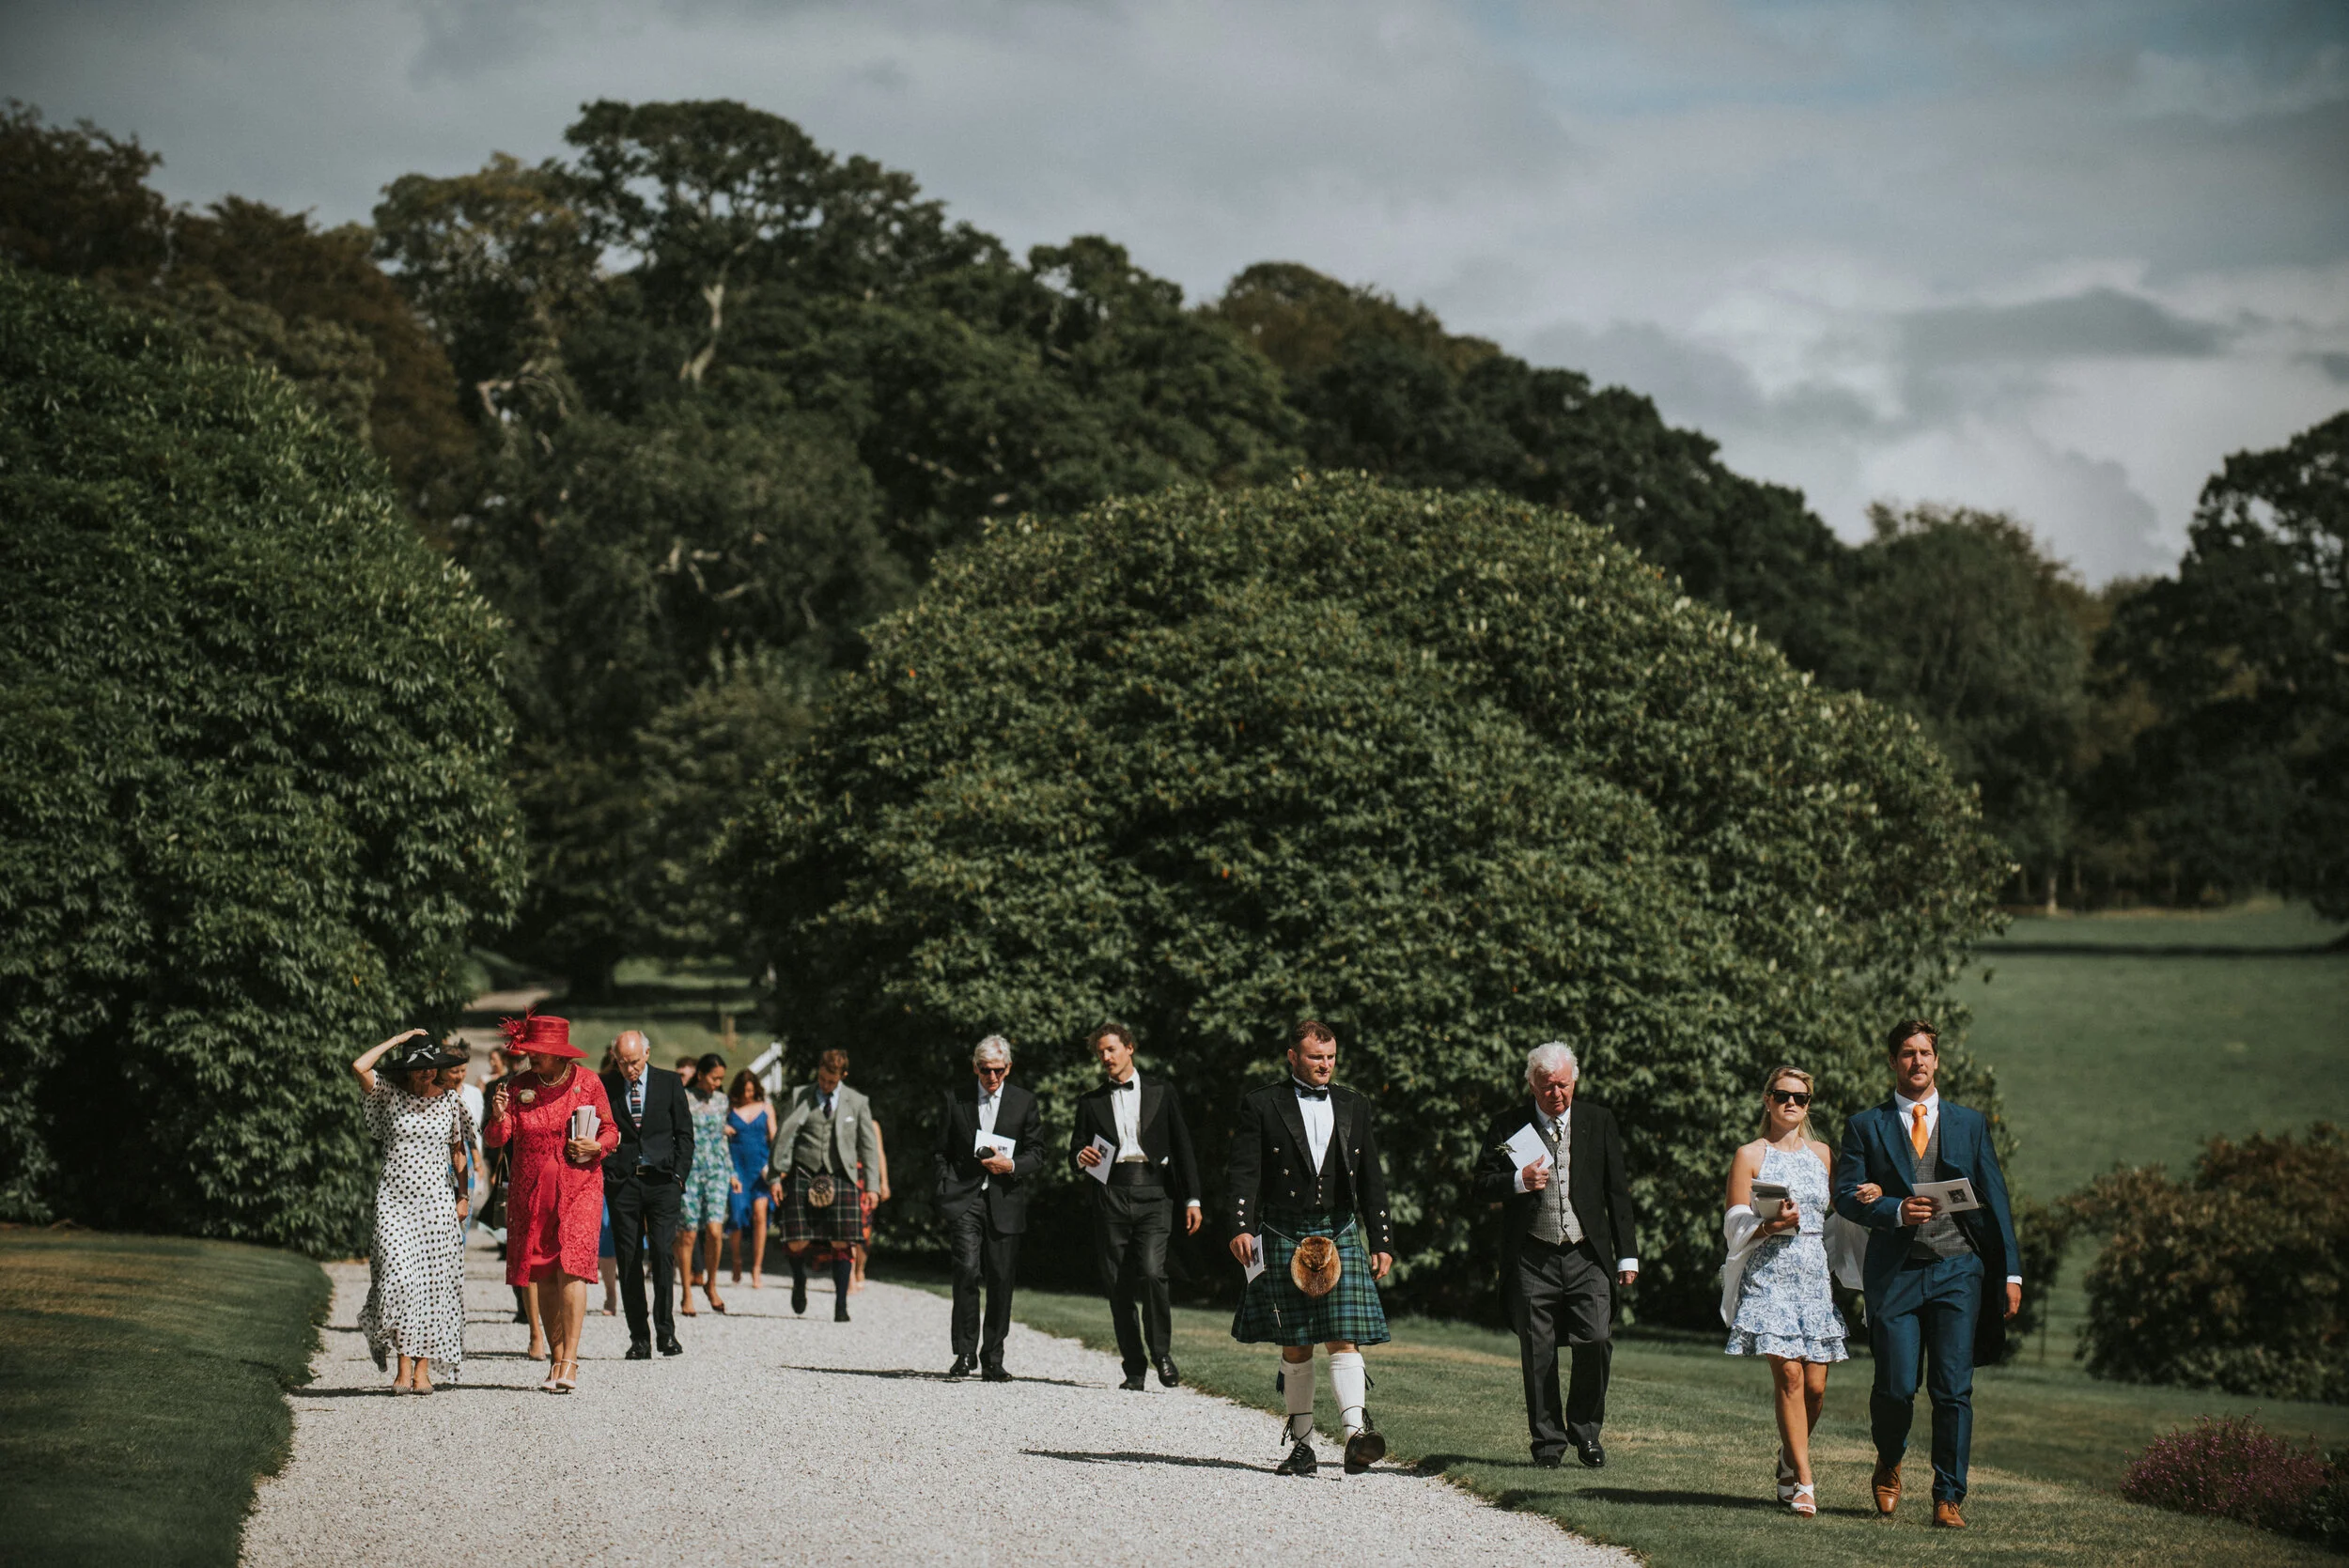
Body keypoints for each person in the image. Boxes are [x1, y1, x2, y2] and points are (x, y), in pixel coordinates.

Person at [1833, 1018, 2023, 1530]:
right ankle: (1890, 1458)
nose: (1918, 1062)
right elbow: (1845, 1194)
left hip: (1958, 1269)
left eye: (1926, 1053)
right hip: (1895, 1274)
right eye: (1908, 1054)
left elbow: (1996, 1200)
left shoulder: (1970, 1123)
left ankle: (1948, 1496)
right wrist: (1894, 1209)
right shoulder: (1865, 1125)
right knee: (1895, 1386)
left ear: (1937, 1061)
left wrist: (2012, 1274)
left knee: (1952, 1389)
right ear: (1894, 1061)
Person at [1226, 1020, 1395, 1477]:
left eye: (1331, 1057)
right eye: (1316, 1057)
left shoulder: (1353, 1104)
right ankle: (1302, 1447)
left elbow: (1372, 1177)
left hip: (1338, 1229)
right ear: (1293, 1057)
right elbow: (1245, 1171)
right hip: (1282, 1230)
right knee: (1296, 1341)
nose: (1325, 1065)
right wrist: (1241, 1226)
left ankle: (1356, 1435)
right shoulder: (1262, 1104)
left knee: (1344, 1335)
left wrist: (1381, 1239)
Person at [1470, 1041, 1639, 1471]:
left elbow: (1617, 1192)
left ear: (1574, 1081)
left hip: (1586, 1253)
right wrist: (1518, 1179)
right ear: (1532, 1084)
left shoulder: (1598, 1121)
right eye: (1546, 1087)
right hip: (1531, 1255)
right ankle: (1547, 1444)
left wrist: (1627, 1256)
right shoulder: (1508, 1126)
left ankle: (1586, 1433)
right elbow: (1481, 1184)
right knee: (1538, 1351)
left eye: (1562, 1085)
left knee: (1597, 1339)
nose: (1556, 1095)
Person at [1720, 1064, 1855, 1516]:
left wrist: (1871, 1193)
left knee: (1815, 1386)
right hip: (1769, 1274)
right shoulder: (1749, 1154)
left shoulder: (1823, 1154)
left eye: (1800, 1097)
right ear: (1768, 1100)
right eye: (1782, 1095)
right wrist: (1770, 1224)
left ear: (1808, 1104)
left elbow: (1845, 1207)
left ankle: (1786, 1456)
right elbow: (1734, 1221)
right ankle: (1805, 1481)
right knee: (1790, 1377)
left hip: (1814, 1276)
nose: (1791, 1103)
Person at [482, 1014, 619, 1393]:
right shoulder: (518, 1085)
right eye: (529, 1052)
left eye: (539, 1053)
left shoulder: (588, 1082)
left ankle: (570, 1361)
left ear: (560, 1056)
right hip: (531, 1191)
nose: (531, 1058)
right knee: (542, 1271)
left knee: (573, 1267)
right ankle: (555, 1356)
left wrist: (597, 1146)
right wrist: (496, 1117)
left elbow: (611, 1131)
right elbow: (497, 1139)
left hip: (579, 1185)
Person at [1069, 1020, 1202, 1390]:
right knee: (1117, 1285)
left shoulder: (1162, 1091)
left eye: (1111, 1049)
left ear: (1130, 1047)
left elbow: (1183, 1147)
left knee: (1152, 1272)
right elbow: (1074, 1152)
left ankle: (1161, 1353)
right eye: (1100, 1053)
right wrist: (1081, 1157)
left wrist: (1193, 1198)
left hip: (1156, 1194)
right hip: (1110, 1193)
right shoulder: (1090, 1101)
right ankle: (1134, 1368)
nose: (1106, 1058)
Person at [350, 1028, 472, 1394]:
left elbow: (458, 1151)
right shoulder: (389, 1094)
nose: (428, 1073)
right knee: (399, 1280)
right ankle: (403, 1364)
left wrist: (462, 1196)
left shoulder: (450, 1102)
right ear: (406, 1069)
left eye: (432, 1067)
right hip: (394, 1202)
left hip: (436, 1204)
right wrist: (397, 1041)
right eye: (420, 1068)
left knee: (434, 1286)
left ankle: (420, 1371)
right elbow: (359, 1065)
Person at [934, 1034, 1042, 1380]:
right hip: (966, 1198)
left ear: (1008, 1068)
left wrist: (1010, 1166)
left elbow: (1038, 1153)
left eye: (997, 1070)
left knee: (1000, 1277)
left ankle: (993, 1357)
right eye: (984, 1070)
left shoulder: (1024, 1102)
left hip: (1004, 1199)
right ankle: (965, 1353)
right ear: (975, 1067)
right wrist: (944, 1185)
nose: (991, 1077)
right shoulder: (956, 1099)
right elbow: (941, 1151)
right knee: (966, 1270)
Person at [768, 1048, 882, 1323]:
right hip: (803, 1171)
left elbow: (868, 1146)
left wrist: (873, 1186)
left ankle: (841, 1304)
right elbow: (783, 1138)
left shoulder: (857, 1101)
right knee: (796, 1241)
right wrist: (775, 1176)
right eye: (821, 1079)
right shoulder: (800, 1096)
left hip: (841, 1174)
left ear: (843, 1076)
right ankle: (799, 1280)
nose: (825, 1085)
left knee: (842, 1239)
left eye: (831, 1081)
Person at [600, 1030, 692, 1359]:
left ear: (648, 1054)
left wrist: (679, 1176)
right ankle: (639, 1337)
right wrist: (608, 1172)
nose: (630, 1069)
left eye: (635, 1062)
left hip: (663, 1182)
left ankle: (666, 1333)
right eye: (623, 1063)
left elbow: (684, 1132)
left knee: (663, 1255)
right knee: (628, 1259)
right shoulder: (606, 1084)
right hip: (623, 1182)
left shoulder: (669, 1083)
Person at [675, 1052, 733, 1316]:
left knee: (715, 1230)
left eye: (721, 1079)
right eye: (713, 1078)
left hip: (717, 1169)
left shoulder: (722, 1101)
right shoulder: (684, 1099)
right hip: (690, 1170)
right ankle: (687, 1293)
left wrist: (731, 1172)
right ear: (700, 1074)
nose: (717, 1084)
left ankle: (711, 1284)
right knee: (688, 1233)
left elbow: (722, 1137)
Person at [723, 1070, 777, 1288]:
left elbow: (775, 1137)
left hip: (760, 1169)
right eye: (744, 1090)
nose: (748, 1094)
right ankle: (737, 1261)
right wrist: (723, 1128)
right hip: (737, 1169)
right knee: (736, 1215)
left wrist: (776, 1168)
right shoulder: (730, 1110)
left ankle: (757, 1268)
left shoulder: (766, 1108)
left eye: (751, 1089)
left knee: (760, 1215)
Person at [851, 1115, 891, 1293]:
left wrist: (884, 1183)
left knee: (864, 1230)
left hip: (868, 1181)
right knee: (848, 1228)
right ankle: (850, 1274)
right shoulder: (844, 1122)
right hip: (849, 1179)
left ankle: (860, 1269)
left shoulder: (873, 1125)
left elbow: (879, 1154)